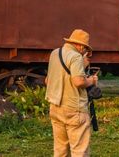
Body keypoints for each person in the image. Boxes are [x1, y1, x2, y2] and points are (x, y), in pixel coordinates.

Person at [45, 29, 99, 157]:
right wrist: (92, 80)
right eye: (86, 50)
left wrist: (82, 65)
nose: (85, 53)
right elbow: (79, 81)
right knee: (79, 150)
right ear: (81, 46)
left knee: (60, 150)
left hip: (55, 107)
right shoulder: (76, 56)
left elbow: (47, 80)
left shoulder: (55, 53)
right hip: (74, 109)